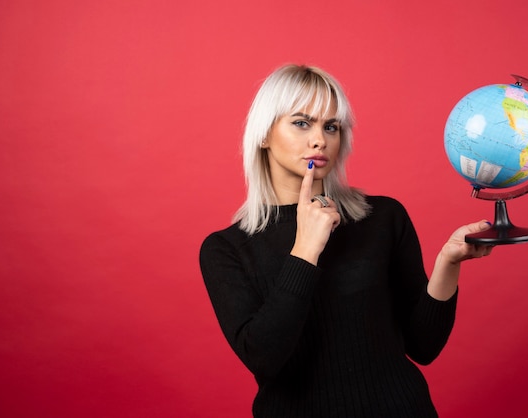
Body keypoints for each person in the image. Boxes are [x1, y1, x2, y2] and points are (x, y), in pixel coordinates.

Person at [199, 64, 493, 418]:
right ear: (264, 134)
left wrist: (449, 261)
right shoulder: (226, 249)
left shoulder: (383, 217)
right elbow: (265, 358)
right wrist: (306, 249)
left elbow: (424, 346)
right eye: (302, 122)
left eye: (331, 126)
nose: (320, 139)